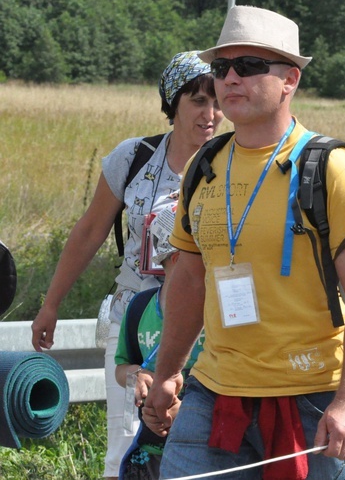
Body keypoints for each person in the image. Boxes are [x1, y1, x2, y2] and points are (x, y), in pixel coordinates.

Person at [143, 5, 345, 479]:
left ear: (289, 80)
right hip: (214, 392)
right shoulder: (204, 165)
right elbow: (190, 282)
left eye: (250, 66)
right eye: (221, 68)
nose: (230, 79)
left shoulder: (330, 167)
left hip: (314, 399)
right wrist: (170, 372)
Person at [30, 51, 222, 479]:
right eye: (198, 101)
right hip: (133, 317)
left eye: (218, 102)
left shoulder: (233, 164)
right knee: (125, 447)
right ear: (173, 103)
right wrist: (51, 303)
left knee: (194, 446)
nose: (211, 114)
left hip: (206, 324)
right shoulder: (134, 157)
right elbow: (89, 232)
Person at [114, 202, 205, 479]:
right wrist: (137, 376)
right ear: (178, 258)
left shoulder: (217, 308)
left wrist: (185, 410)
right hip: (150, 449)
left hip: (204, 440)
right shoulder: (140, 306)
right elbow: (122, 366)